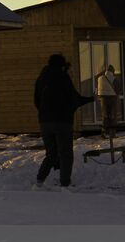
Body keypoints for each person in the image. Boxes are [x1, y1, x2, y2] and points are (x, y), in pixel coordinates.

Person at [33, 53, 95, 188]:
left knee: (51, 154)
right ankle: (65, 183)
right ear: (62, 66)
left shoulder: (41, 78)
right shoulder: (63, 78)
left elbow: (36, 101)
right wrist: (90, 99)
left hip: (45, 122)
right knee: (65, 153)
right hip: (62, 122)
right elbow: (73, 98)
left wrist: (45, 113)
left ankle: (39, 181)